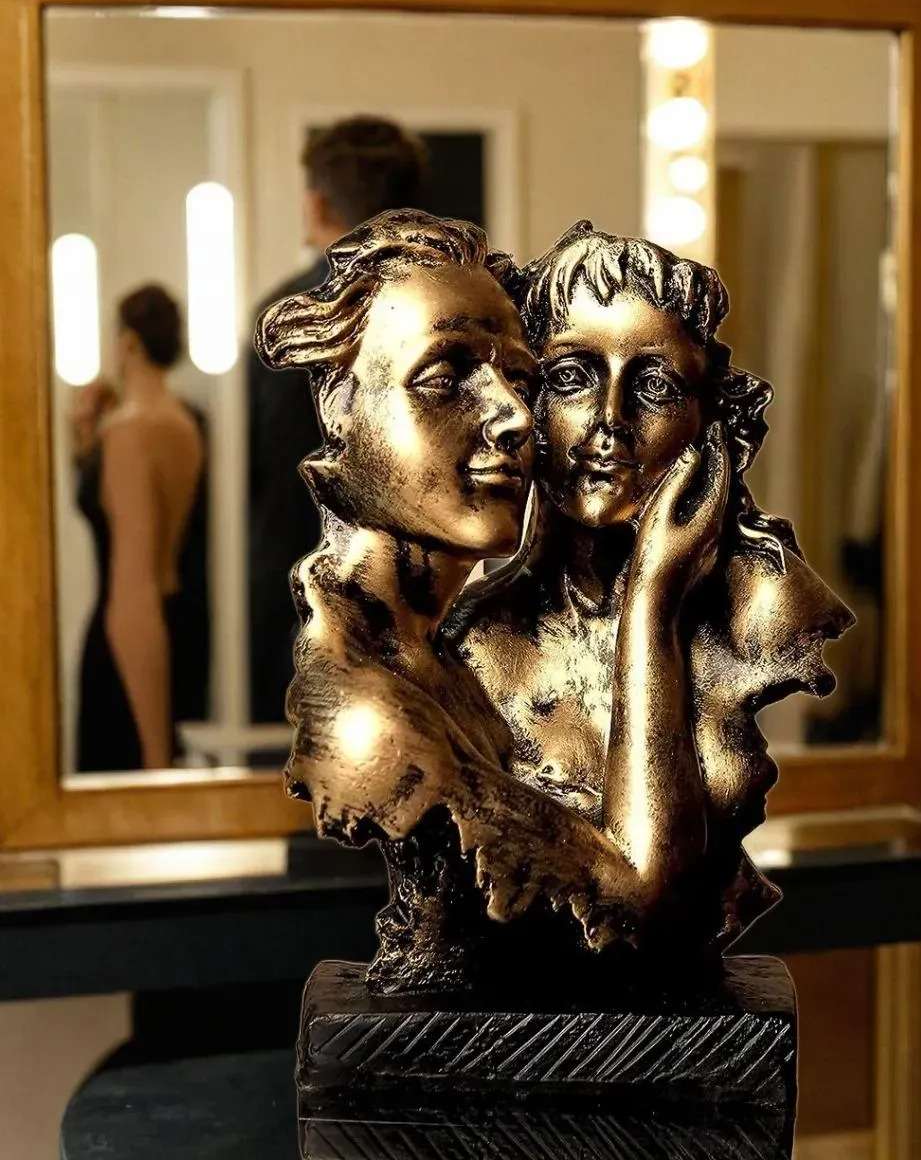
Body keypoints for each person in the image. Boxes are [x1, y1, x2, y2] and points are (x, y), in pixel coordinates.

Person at [255, 210, 733, 994]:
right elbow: (645, 914)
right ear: (342, 409)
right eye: (444, 379)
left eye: (521, 379)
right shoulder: (370, 713)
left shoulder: (437, 655)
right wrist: (653, 599)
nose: (514, 418)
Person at [454, 222, 855, 942]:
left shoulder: (766, 608)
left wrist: (654, 593)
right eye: (571, 378)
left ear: (707, 422)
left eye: (655, 385)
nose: (610, 420)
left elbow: (666, 908)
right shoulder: (470, 646)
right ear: (523, 403)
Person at [247, 116, 427, 723]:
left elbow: (262, 470)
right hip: (424, 596)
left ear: (317, 203)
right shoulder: (457, 310)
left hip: (298, 586)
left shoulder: (288, 317)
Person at [75, 285, 206, 772]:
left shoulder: (130, 432)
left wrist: (155, 758)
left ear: (128, 342)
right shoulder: (184, 423)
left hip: (129, 650)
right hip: (174, 626)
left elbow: (135, 589)